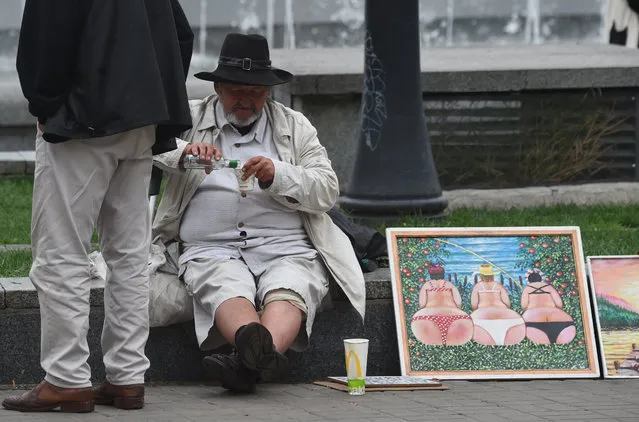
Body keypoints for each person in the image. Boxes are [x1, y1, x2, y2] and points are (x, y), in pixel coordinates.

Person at [2, 0, 194, 414]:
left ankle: (67, 379)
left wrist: (44, 104)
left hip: (80, 119)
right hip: (142, 118)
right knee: (128, 256)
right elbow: (181, 33)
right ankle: (127, 378)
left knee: (60, 253)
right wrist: (154, 95)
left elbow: (45, 33)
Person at [151, 33, 366, 394]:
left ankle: (245, 363)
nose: (246, 100)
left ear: (268, 92)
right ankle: (257, 360)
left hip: (285, 246)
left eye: (255, 92)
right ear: (218, 86)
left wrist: (277, 175)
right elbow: (152, 145)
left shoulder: (294, 126)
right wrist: (188, 153)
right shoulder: (188, 116)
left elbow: (327, 188)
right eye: (237, 90)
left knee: (292, 284)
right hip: (211, 247)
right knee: (222, 281)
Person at [411, 264, 473, 346]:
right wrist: (456, 310)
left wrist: (425, 310)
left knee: (430, 337)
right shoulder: (449, 284)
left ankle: (437, 340)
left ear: (431, 275)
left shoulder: (427, 285)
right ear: (443, 274)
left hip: (427, 317)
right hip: (456, 316)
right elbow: (458, 302)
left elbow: (422, 303)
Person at [469, 264, 525, 346]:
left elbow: (474, 305)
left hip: (483, 317)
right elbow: (507, 303)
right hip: (507, 317)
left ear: (480, 275)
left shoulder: (477, 287)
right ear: (492, 275)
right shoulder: (499, 286)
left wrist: (476, 313)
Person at [520, 269, 576, 345]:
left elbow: (524, 306)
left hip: (532, 322)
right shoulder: (549, 287)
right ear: (541, 278)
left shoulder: (527, 289)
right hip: (562, 323)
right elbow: (559, 304)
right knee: (561, 342)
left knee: (542, 343)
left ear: (528, 280)